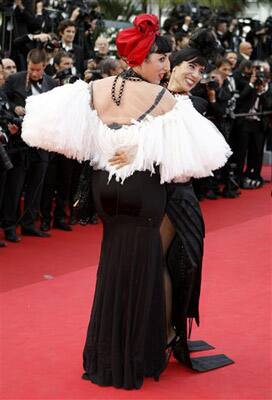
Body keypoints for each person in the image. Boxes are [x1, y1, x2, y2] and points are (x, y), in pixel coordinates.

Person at [21, 15, 232, 389]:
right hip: (141, 192)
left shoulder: (95, 88)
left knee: (114, 266)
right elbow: (193, 157)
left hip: (105, 192)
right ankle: (139, 354)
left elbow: (51, 128)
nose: (166, 66)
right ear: (143, 59)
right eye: (161, 59)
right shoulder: (163, 98)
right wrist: (142, 145)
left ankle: (105, 352)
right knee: (146, 268)